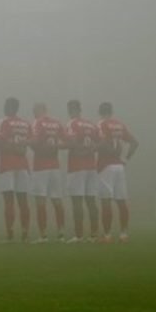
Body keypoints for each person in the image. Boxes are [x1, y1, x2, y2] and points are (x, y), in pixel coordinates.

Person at [97, 102, 139, 243]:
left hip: (105, 166)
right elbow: (134, 142)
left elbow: (102, 143)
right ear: (111, 111)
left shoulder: (101, 124)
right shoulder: (120, 124)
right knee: (121, 200)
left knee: (106, 200)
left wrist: (107, 152)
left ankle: (107, 235)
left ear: (100, 112)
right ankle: (123, 234)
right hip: (119, 166)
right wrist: (125, 159)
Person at [0, 98, 32, 243]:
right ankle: (25, 234)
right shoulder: (25, 124)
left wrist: (10, 148)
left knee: (9, 201)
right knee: (23, 201)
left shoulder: (3, 122)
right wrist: (20, 149)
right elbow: (29, 142)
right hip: (23, 165)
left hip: (7, 165)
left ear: (9, 107)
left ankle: (10, 235)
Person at [64, 100, 101, 243]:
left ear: (70, 109)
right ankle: (94, 234)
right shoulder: (91, 124)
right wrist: (91, 149)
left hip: (77, 166)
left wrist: (65, 146)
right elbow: (100, 143)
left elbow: (72, 142)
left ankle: (78, 235)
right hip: (91, 166)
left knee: (77, 200)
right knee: (91, 200)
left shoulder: (72, 123)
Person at [30, 103, 67, 243]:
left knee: (40, 201)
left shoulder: (38, 123)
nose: (34, 114)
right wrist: (57, 146)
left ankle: (43, 235)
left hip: (41, 167)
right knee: (57, 200)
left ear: (40, 110)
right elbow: (69, 142)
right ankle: (61, 233)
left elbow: (35, 141)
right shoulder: (57, 123)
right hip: (55, 166)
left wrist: (27, 143)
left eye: (34, 111)